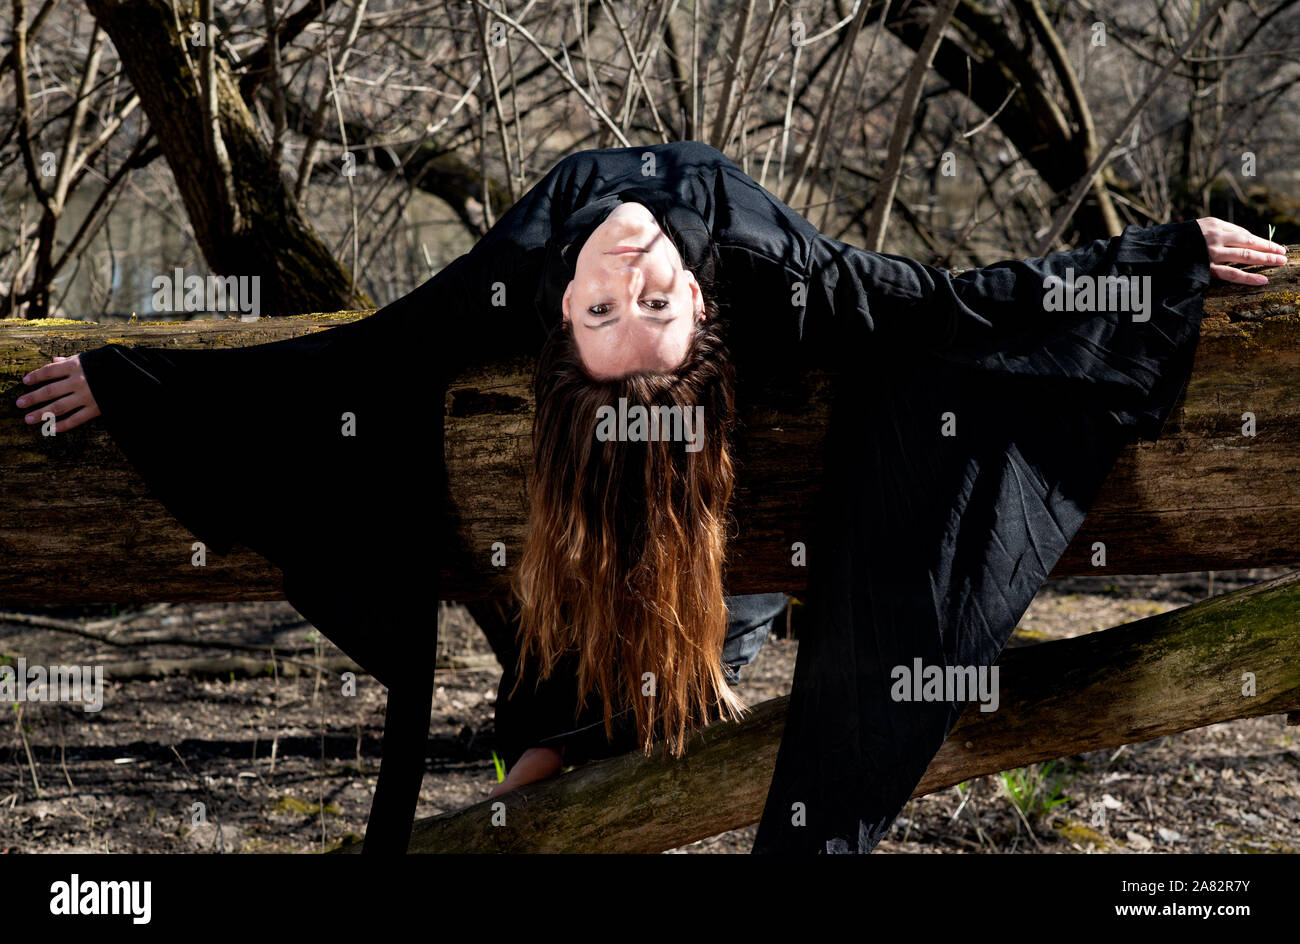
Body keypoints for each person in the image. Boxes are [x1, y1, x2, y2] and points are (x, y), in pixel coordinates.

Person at [16, 140, 1285, 854]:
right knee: (584, 553)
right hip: (616, 505)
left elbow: (952, 303)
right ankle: (566, 744)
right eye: (620, 304)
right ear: (556, 319)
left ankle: (662, 687)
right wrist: (137, 384)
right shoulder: (532, 291)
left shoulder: (767, 277)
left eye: (642, 301)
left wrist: (1146, 266)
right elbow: (343, 366)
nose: (631, 274)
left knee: (683, 551)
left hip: (709, 490)